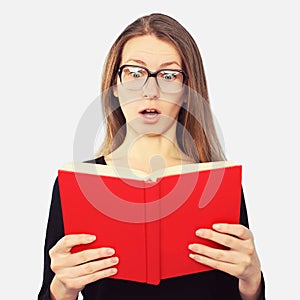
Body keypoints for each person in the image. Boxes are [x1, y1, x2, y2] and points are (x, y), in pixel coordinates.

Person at [38, 13, 265, 300]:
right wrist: (61, 289)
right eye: (135, 73)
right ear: (115, 87)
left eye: (169, 76)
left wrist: (252, 282)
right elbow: (47, 292)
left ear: (186, 92)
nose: (151, 90)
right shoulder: (77, 185)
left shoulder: (216, 184)